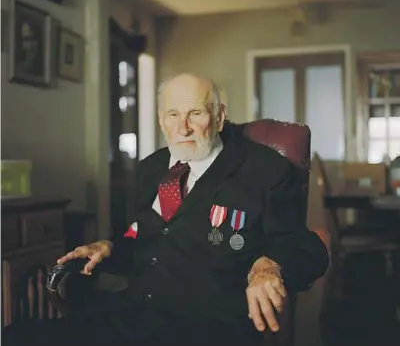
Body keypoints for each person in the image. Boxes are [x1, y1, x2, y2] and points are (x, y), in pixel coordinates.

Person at [3, 73, 329, 346]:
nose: (183, 127)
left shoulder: (263, 168)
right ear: (161, 120)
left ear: (218, 116)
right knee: (17, 336)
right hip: (134, 317)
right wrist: (111, 247)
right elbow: (139, 236)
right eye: (173, 114)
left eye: (196, 113)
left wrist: (269, 265)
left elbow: (305, 246)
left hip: (208, 329)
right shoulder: (151, 168)